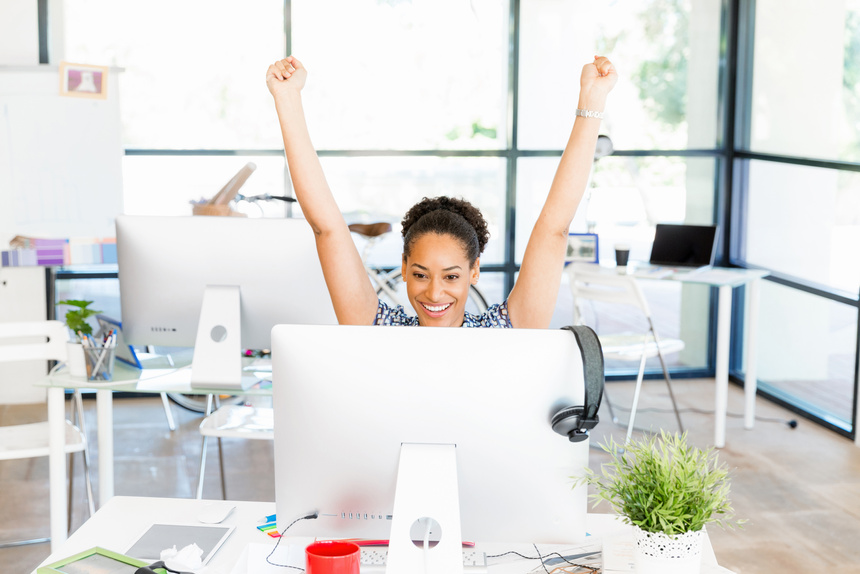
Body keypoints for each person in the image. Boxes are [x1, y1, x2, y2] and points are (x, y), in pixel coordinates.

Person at [266, 55, 617, 329]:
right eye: (420, 274)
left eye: (451, 276)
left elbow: (554, 228)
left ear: (474, 271)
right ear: (403, 268)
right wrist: (287, 98)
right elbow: (326, 227)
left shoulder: (505, 330)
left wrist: (593, 100)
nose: (434, 293)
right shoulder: (380, 330)